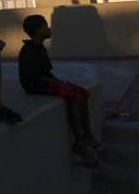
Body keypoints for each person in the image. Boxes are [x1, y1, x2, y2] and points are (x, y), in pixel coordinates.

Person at [18, 14, 101, 167]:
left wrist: (60, 82)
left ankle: (87, 134)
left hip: (45, 82)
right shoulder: (29, 50)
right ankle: (79, 142)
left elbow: (47, 73)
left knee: (82, 93)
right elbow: (34, 77)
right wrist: (58, 85)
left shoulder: (40, 48)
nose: (49, 29)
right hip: (36, 86)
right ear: (38, 30)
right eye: (45, 26)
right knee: (72, 95)